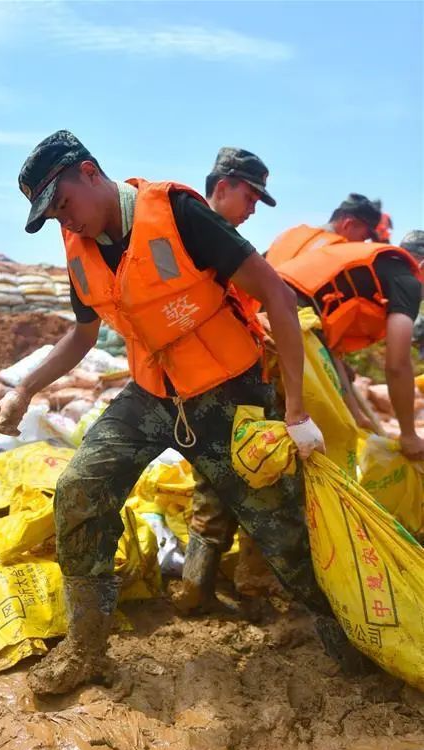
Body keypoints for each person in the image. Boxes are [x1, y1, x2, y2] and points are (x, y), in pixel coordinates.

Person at [0, 130, 367, 695]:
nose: (65, 222)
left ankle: (356, 644)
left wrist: (295, 410)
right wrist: (25, 389)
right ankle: (86, 649)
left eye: (64, 204)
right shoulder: (79, 247)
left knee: (284, 530)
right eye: (53, 217)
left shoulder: (180, 214)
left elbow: (277, 295)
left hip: (228, 393)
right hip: (152, 394)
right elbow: (83, 335)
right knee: (79, 488)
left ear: (90, 172)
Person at [178, 147, 279, 616]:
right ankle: (254, 594)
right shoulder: (214, 241)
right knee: (262, 482)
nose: (254, 208)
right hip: (233, 387)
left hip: (196, 388)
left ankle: (194, 589)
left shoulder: (185, 240)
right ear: (223, 187)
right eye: (251, 197)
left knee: (211, 485)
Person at [274, 237, 424, 459]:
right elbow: (397, 365)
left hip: (270, 311)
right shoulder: (407, 281)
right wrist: (409, 436)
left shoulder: (372, 269)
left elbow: (331, 349)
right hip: (290, 320)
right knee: (329, 433)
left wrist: (356, 414)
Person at [265, 193, 381, 267]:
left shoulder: (291, 236)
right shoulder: (336, 253)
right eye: (363, 238)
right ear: (348, 224)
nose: (362, 244)